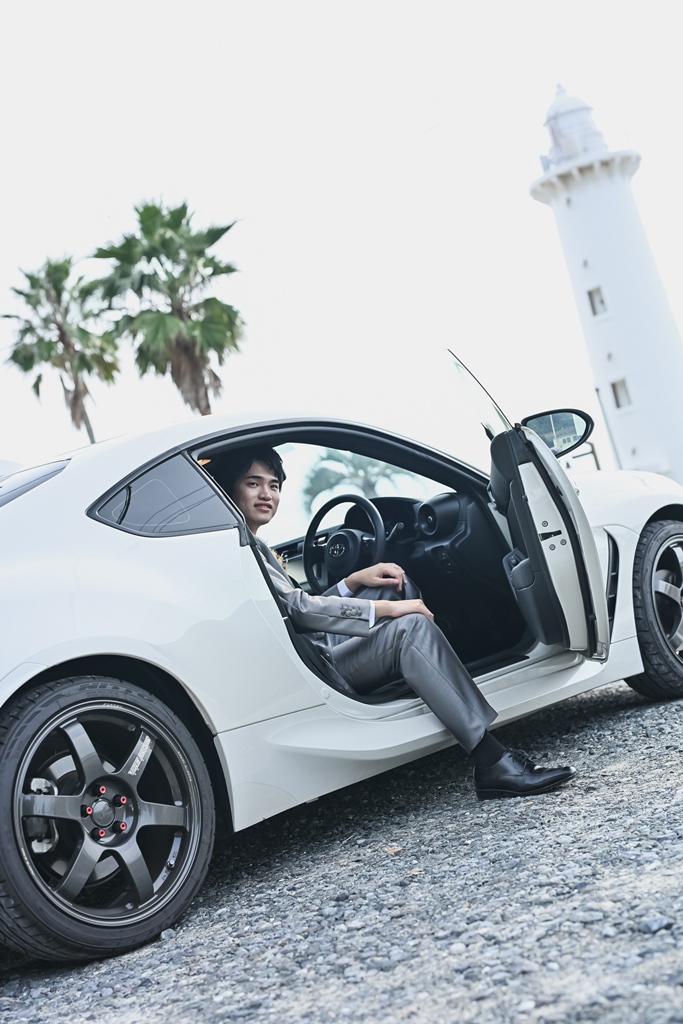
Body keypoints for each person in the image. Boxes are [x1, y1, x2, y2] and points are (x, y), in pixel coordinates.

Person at [216, 445, 577, 800]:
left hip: (311, 650)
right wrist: (392, 611)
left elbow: (294, 607)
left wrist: (354, 580)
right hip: (317, 667)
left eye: (274, 485)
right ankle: (492, 762)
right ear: (230, 490)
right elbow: (300, 610)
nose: (266, 494)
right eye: (253, 483)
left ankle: (432, 672)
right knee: (412, 626)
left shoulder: (249, 541)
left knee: (393, 583)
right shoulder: (240, 547)